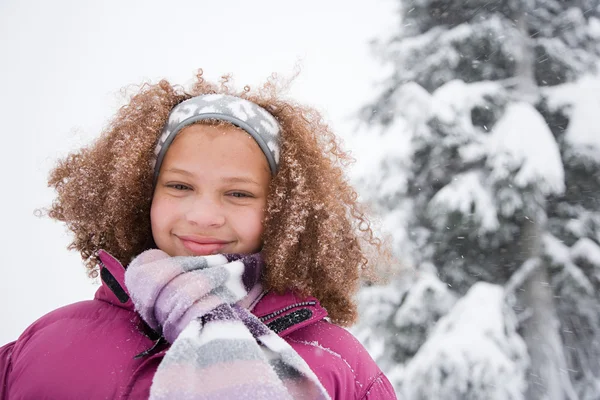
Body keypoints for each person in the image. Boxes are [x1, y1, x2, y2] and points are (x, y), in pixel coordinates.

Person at [0, 71, 397, 399]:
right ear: (141, 195)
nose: (204, 215)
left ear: (284, 211)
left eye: (238, 193)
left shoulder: (341, 366)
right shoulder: (46, 344)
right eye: (179, 186)